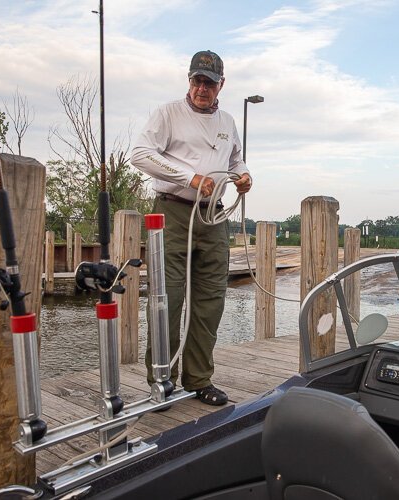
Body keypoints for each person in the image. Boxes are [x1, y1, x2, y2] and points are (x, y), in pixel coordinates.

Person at [131, 50, 252, 406]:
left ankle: (199, 378)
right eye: (197, 80)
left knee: (211, 301)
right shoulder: (168, 113)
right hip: (174, 212)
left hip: (214, 218)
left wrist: (243, 175)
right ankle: (161, 380)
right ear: (189, 80)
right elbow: (139, 153)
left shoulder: (228, 121)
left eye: (209, 83)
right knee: (166, 298)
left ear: (221, 85)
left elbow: (235, 157)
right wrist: (191, 177)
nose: (202, 88)